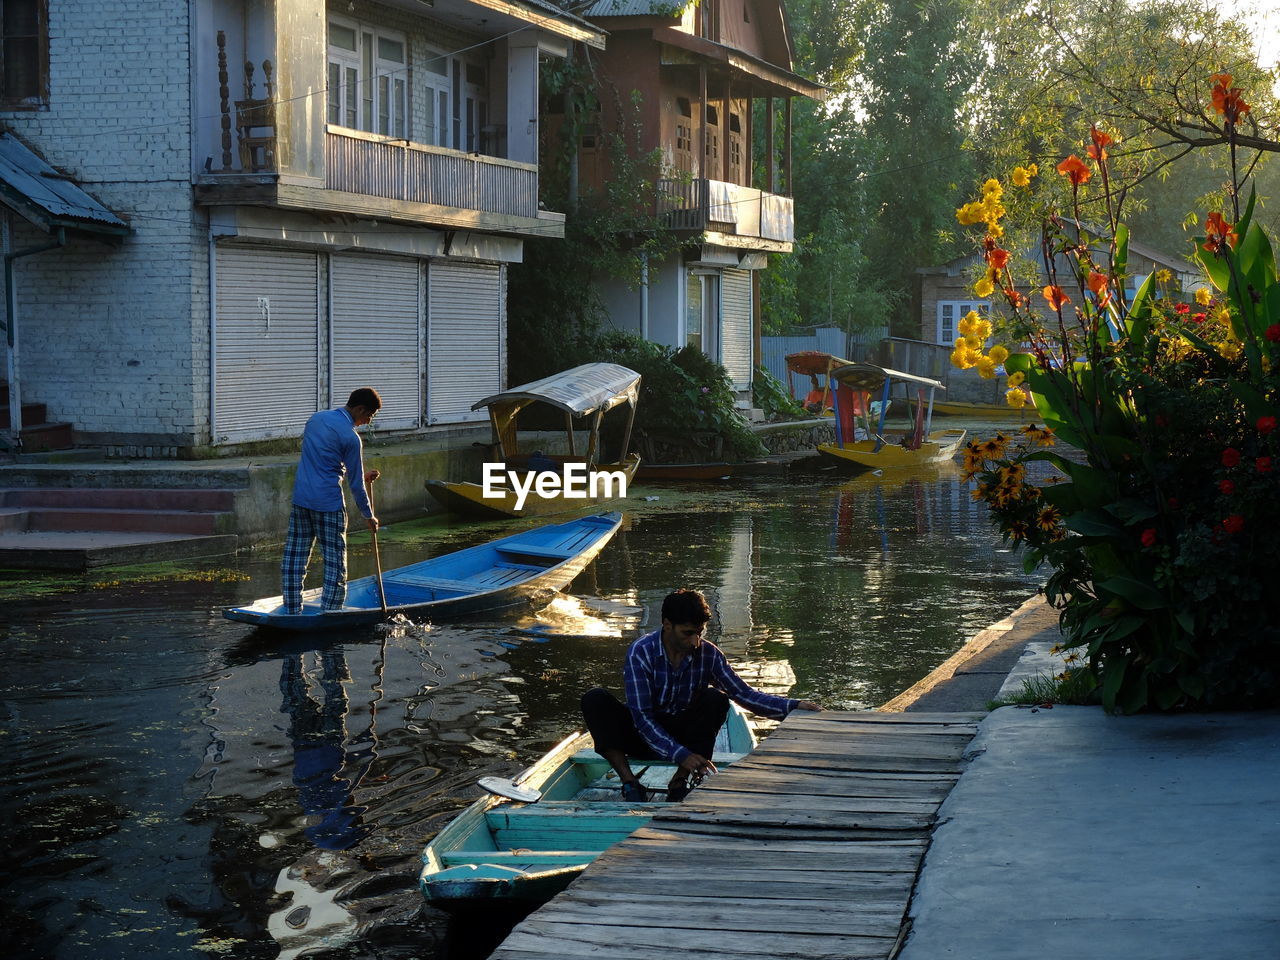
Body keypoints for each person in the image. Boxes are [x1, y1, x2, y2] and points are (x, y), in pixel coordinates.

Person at [581, 589, 821, 802]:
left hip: (683, 732)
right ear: (667, 625)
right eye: (687, 633)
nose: (695, 641)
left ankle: (679, 781)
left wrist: (793, 706)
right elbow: (642, 717)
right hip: (641, 734)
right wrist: (680, 754)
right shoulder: (641, 652)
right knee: (595, 700)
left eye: (699, 632)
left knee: (715, 699)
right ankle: (629, 782)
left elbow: (744, 694)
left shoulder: (708, 654)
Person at [281, 387, 382, 614]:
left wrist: (356, 474)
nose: (367, 422)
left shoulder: (316, 419)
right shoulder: (351, 438)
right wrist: (369, 515)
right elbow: (356, 486)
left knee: (295, 557)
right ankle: (330, 613)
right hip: (328, 505)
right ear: (359, 409)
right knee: (335, 563)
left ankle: (291, 609)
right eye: (369, 416)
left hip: (302, 499)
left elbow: (324, 460)